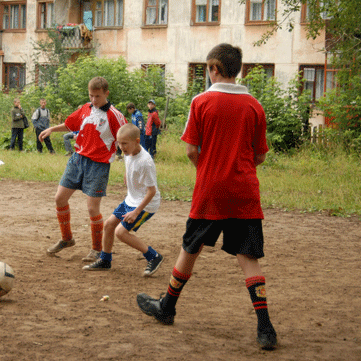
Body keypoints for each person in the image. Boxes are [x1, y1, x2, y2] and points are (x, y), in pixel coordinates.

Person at [136, 43, 277, 350]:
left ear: (214, 68)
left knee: (191, 248)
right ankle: (265, 328)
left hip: (210, 190)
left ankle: (168, 308)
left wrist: (211, 170)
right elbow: (260, 156)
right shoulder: (254, 105)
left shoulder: (201, 101)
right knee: (248, 257)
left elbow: (190, 149)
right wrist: (238, 170)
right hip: (244, 191)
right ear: (236, 69)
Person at [39, 77, 127, 262]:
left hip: (98, 165)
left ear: (106, 93)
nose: (94, 100)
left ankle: (96, 249)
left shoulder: (114, 115)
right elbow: (71, 124)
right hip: (77, 159)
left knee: (92, 208)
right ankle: (67, 238)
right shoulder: (85, 108)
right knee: (60, 198)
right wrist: (51, 129)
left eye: (97, 96)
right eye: (91, 96)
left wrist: (130, 166)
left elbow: (126, 140)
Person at [83, 123, 163, 276]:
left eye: (124, 143)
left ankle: (154, 256)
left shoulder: (145, 162)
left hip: (145, 204)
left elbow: (151, 191)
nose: (121, 147)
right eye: (119, 143)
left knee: (121, 233)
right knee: (108, 226)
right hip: (131, 200)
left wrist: (136, 212)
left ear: (137, 141)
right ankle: (105, 260)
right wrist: (128, 176)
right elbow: (130, 165)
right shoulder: (128, 153)